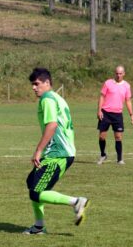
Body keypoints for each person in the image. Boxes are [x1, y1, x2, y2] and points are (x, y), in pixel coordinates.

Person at [24, 68, 88, 235]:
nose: (33, 87)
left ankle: (76, 202)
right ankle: (38, 226)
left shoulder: (47, 99)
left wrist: (38, 150)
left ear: (47, 83)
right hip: (59, 151)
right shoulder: (58, 98)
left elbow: (52, 125)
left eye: (36, 84)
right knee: (32, 183)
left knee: (36, 192)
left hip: (59, 153)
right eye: (32, 84)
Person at [97, 66, 133, 165]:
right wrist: (99, 110)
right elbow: (102, 96)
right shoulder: (108, 83)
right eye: (117, 73)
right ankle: (103, 155)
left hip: (117, 114)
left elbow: (128, 101)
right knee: (102, 136)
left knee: (118, 137)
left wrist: (131, 115)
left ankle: (119, 159)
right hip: (105, 113)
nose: (118, 75)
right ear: (115, 73)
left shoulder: (126, 86)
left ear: (124, 74)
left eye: (120, 73)